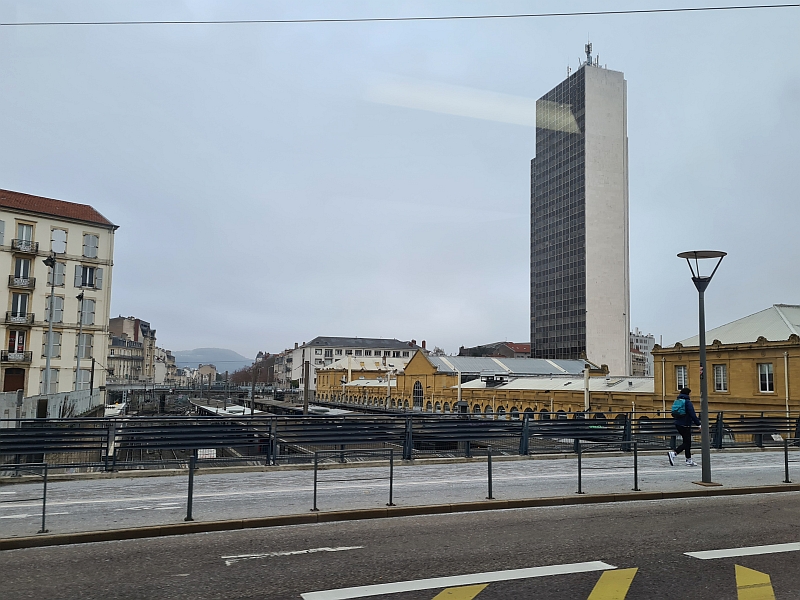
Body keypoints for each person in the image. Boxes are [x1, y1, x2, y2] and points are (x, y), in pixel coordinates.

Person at [668, 387, 701, 467]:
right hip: (685, 424)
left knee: (687, 442)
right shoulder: (687, 402)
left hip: (678, 424)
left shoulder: (678, 401)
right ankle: (674, 453)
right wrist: (698, 424)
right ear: (688, 394)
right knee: (687, 442)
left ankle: (689, 460)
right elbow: (692, 414)